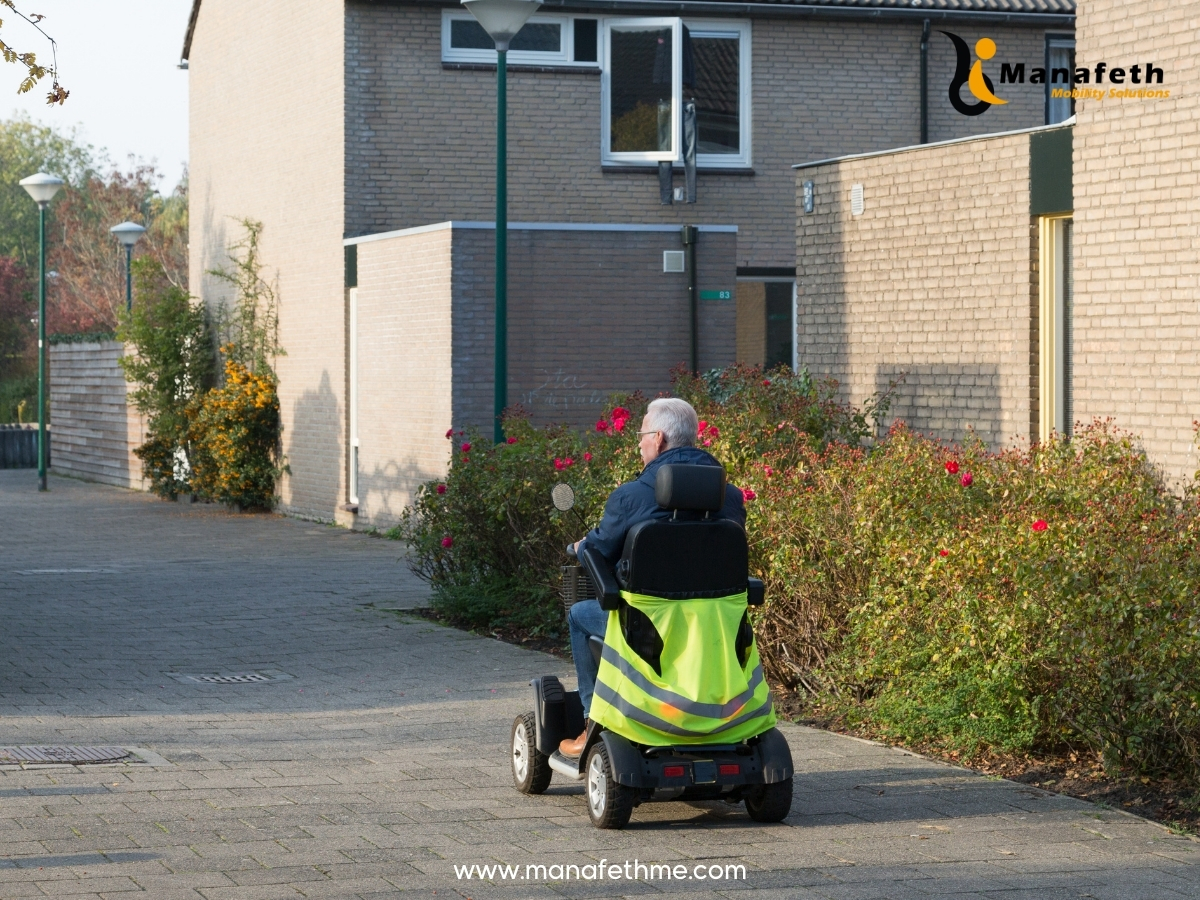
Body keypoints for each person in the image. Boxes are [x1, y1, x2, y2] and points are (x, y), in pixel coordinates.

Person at [559, 397, 746, 757]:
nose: (638, 443)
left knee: (580, 615)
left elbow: (600, 549)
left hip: (648, 631)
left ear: (658, 438)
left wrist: (583, 547)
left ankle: (591, 722)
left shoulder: (630, 498)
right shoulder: (731, 499)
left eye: (642, 434)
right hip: (717, 629)